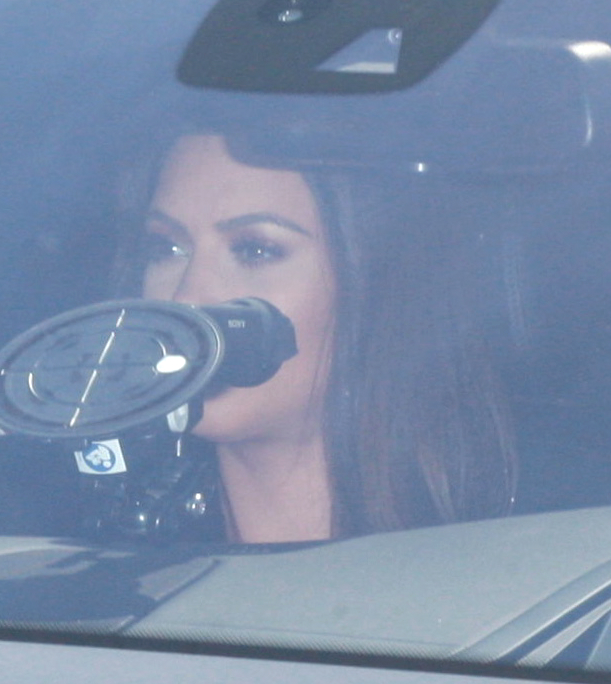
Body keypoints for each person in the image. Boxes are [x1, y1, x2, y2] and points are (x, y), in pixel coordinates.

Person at [113, 131, 517, 544]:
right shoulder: (114, 564)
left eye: (255, 250)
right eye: (166, 248)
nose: (187, 298)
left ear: (371, 286)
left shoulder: (514, 566)